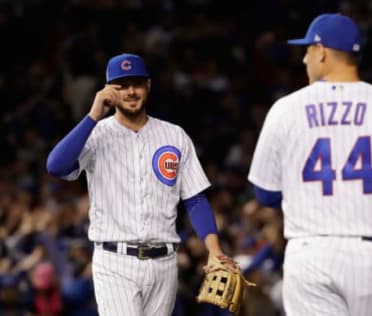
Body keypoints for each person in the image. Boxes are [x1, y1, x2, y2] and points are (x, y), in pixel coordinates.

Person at [247, 14, 372, 316]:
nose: (304, 59)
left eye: (308, 50)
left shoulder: (285, 109)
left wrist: (310, 202)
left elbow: (264, 193)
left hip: (310, 250)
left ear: (322, 51)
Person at [46, 53, 235, 316]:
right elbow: (56, 166)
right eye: (122, 85)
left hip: (164, 263)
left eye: (136, 83)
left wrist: (214, 251)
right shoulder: (96, 134)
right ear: (109, 90)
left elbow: (195, 199)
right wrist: (92, 116)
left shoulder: (174, 135)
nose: (131, 91)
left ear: (148, 85)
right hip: (115, 261)